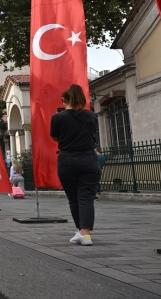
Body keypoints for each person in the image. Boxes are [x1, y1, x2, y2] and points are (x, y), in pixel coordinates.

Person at [50, 84, 101, 246]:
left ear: (64, 99)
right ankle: (85, 234)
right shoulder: (91, 116)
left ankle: (81, 231)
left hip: (67, 158)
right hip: (89, 158)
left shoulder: (57, 117)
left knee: (73, 198)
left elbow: (55, 138)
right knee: (86, 198)